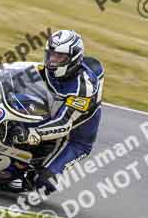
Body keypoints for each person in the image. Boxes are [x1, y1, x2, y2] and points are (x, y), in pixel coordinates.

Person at [8, 30, 103, 193]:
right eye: (51, 54)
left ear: (73, 58)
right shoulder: (49, 68)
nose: (53, 60)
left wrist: (33, 132)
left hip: (72, 138)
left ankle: (25, 176)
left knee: (43, 182)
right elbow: (20, 73)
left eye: (59, 57)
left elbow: (64, 123)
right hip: (51, 113)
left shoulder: (84, 88)